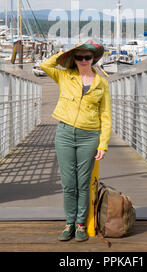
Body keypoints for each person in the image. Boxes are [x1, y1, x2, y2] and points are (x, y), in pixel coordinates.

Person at [40, 39, 112, 242]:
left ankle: (81, 224)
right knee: (68, 183)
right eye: (79, 56)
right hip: (64, 133)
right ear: (74, 58)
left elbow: (106, 115)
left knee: (83, 182)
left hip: (89, 136)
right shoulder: (64, 75)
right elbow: (45, 65)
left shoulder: (102, 83)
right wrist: (64, 52)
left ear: (93, 59)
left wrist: (103, 143)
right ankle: (69, 223)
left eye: (87, 57)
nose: (83, 60)